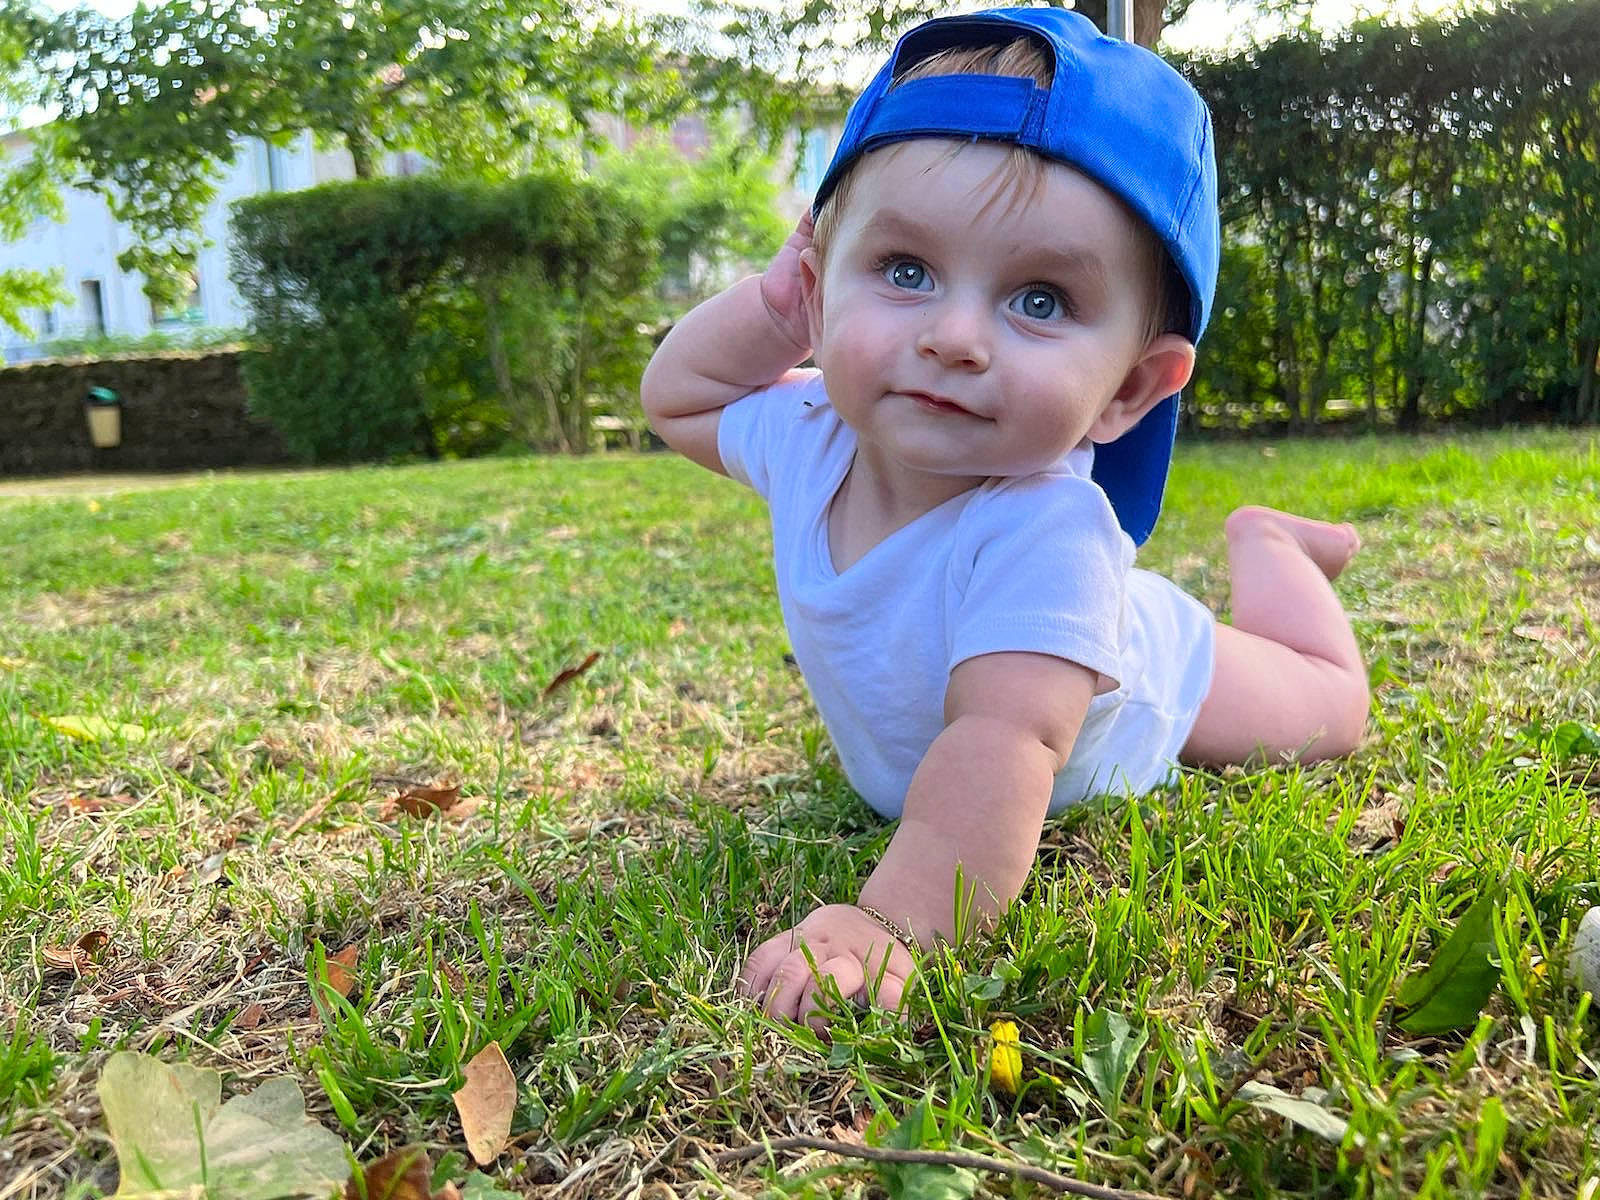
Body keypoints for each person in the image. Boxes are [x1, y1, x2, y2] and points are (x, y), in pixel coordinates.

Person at [639, 6, 1368, 1028]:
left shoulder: (1044, 531)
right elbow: (681, 400)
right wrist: (773, 315)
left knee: (1332, 712)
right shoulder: (809, 431)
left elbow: (1006, 736)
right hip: (1053, 613)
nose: (954, 336)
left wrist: (894, 924)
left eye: (1038, 299)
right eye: (904, 272)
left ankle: (1270, 543)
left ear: (1127, 390)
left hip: (1149, 676)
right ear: (820, 284)